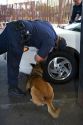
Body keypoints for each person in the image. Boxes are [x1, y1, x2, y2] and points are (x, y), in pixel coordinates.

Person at [0, 19, 66, 97]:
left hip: (13, 26)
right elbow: (38, 59)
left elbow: (37, 25)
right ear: (56, 45)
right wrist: (44, 55)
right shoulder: (50, 41)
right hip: (19, 34)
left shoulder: (49, 26)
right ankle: (13, 89)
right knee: (13, 63)